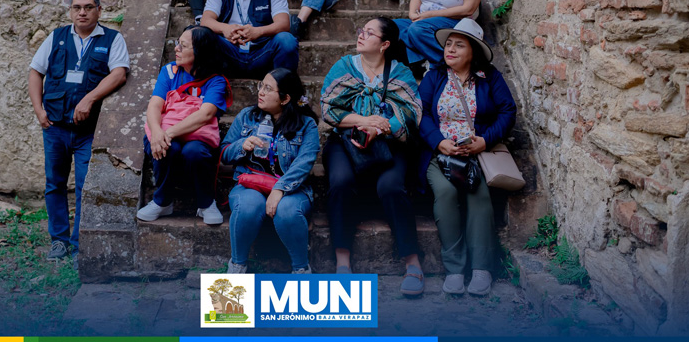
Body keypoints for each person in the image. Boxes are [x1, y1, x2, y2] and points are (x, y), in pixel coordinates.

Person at [320, 17, 425, 296]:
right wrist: (364, 121)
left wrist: (381, 128)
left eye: (369, 33)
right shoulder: (344, 67)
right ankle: (343, 262)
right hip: (345, 141)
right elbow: (328, 109)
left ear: (385, 44)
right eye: (361, 30)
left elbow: (412, 113)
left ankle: (412, 263)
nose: (361, 35)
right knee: (340, 182)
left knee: (391, 187)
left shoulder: (400, 72)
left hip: (388, 143)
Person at [28, 0, 129, 267]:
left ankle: (79, 244)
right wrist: (39, 111)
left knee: (86, 186)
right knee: (54, 184)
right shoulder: (57, 37)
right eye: (77, 7)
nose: (82, 12)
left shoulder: (112, 39)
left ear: (99, 10)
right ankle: (58, 240)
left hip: (88, 130)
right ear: (70, 10)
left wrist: (89, 98)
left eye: (88, 7)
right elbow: (35, 72)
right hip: (55, 126)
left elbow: (119, 74)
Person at [418, 19, 516, 296]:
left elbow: (507, 111)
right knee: (446, 193)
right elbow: (420, 113)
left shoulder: (490, 77)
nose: (450, 49)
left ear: (473, 51)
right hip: (440, 155)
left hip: (474, 156)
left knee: (479, 195)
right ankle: (455, 269)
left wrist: (485, 140)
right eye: (448, 44)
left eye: (459, 45)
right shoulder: (434, 76)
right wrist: (439, 142)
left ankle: (482, 268)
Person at [220, 69, 320, 274]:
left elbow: (304, 163)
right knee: (247, 206)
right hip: (251, 183)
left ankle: (301, 270)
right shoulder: (247, 117)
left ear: (285, 98)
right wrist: (241, 145)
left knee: (288, 211)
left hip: (292, 189)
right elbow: (224, 154)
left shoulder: (306, 124)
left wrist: (280, 189)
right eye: (261, 86)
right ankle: (237, 266)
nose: (261, 92)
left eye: (268, 88)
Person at [136, 25, 231, 225]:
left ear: (200, 52)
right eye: (177, 43)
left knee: (194, 151)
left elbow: (205, 114)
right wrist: (157, 132)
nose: (176, 48)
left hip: (197, 137)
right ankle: (163, 202)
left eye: (183, 45)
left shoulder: (216, 81)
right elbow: (155, 105)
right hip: (165, 132)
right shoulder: (170, 71)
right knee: (167, 148)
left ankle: (206, 203)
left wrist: (167, 133)